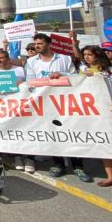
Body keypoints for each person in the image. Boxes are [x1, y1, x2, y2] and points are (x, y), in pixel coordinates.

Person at [25, 33, 90, 181]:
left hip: (65, 102)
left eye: (40, 43)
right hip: (45, 103)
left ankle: (78, 166)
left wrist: (61, 74)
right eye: (36, 44)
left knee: (71, 133)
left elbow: (75, 77)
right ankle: (58, 164)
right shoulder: (31, 62)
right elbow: (30, 82)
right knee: (52, 134)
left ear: (49, 44)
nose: (37, 46)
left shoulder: (64, 59)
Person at [79, 46, 112, 192]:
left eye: (90, 54)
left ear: (98, 55)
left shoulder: (110, 72)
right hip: (96, 115)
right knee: (104, 146)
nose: (87, 57)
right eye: (85, 54)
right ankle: (110, 177)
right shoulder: (83, 71)